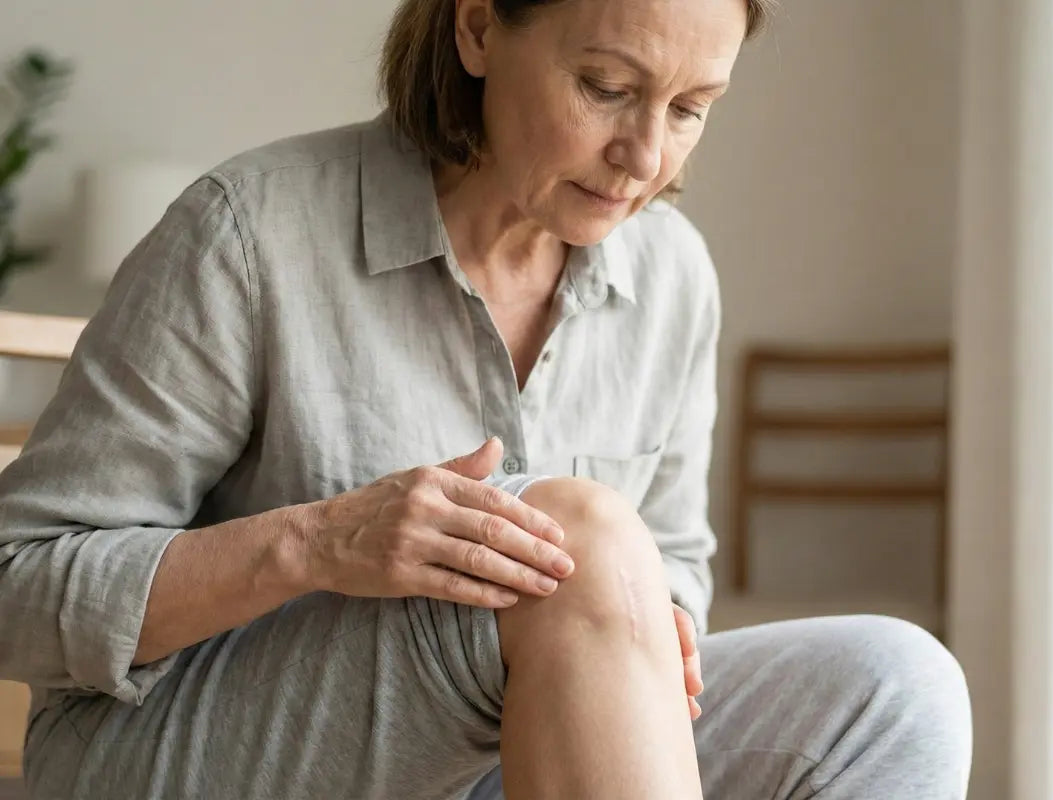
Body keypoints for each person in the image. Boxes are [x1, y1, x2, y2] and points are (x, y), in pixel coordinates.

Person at [0, 0, 973, 797]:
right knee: (578, 533)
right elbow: (18, 586)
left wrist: (645, 610)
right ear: (475, 28)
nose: (645, 156)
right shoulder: (247, 233)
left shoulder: (672, 274)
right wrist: (315, 540)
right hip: (171, 752)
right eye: (607, 88)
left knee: (901, 682)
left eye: (689, 108)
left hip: (494, 757)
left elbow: (676, 562)